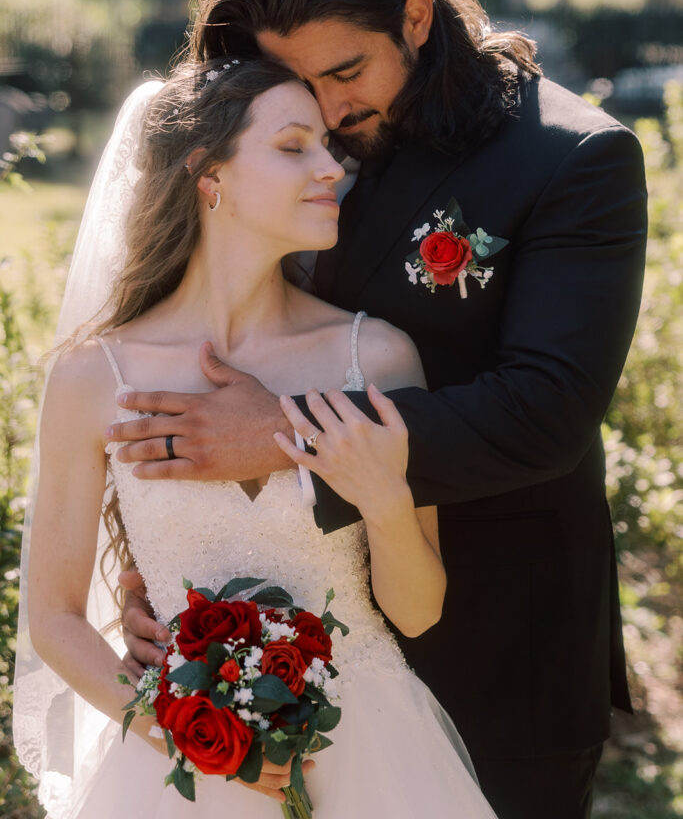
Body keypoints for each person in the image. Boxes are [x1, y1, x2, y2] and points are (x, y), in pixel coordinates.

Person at [113, 0, 648, 819]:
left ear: (416, 16)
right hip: (276, 638)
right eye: (295, 81)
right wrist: (163, 564)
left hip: (497, 647)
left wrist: (282, 433)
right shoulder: (288, 125)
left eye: (345, 70)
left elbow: (543, 414)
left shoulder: (574, 160)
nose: (322, 107)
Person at [16, 57, 499, 818]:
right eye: (293, 146)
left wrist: (382, 499)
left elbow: (416, 611)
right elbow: (56, 620)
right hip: (177, 775)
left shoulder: (374, 357)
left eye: (326, 146)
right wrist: (188, 738)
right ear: (210, 175)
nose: (330, 168)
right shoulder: (92, 378)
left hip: (371, 756)